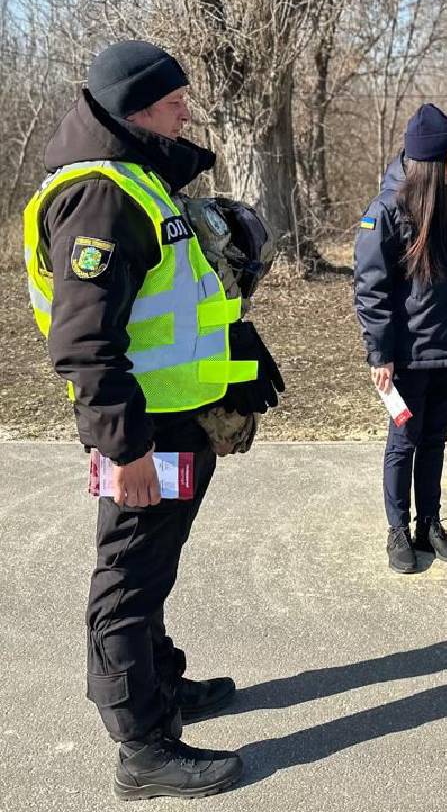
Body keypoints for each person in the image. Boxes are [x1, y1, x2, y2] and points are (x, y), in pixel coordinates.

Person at [23, 40, 283, 799]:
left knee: (152, 568)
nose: (186, 112)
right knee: (128, 581)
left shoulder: (139, 178)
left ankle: (158, 685)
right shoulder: (100, 197)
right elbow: (83, 344)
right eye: (174, 103)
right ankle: (141, 745)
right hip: (141, 431)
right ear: (135, 110)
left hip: (173, 421)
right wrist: (125, 447)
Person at [353, 104, 447, 574]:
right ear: (430, 163)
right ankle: (397, 529)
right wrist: (380, 353)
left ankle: (428, 523)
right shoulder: (387, 211)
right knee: (404, 442)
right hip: (407, 357)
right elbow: (371, 288)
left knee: (435, 440)